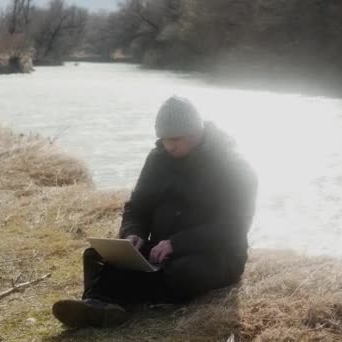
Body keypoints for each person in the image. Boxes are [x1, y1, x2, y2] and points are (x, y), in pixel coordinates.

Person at [52, 95, 258, 328]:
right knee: (95, 255)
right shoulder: (158, 157)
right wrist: (133, 233)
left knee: (182, 272)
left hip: (214, 255)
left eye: (176, 139)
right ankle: (99, 305)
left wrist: (176, 244)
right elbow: (138, 206)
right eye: (163, 139)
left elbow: (233, 228)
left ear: (196, 132)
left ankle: (107, 300)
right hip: (158, 253)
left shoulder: (235, 166)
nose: (169, 146)